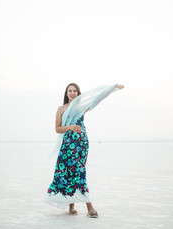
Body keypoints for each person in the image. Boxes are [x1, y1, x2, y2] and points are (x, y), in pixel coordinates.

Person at [44, 83, 124, 218]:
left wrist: (112, 88)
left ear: (78, 93)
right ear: (66, 93)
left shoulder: (81, 107)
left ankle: (82, 206)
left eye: (75, 90)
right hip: (68, 145)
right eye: (70, 90)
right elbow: (57, 129)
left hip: (82, 144)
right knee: (68, 172)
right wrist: (71, 127)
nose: (72, 93)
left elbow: (98, 98)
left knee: (80, 171)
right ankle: (80, 206)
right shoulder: (61, 109)